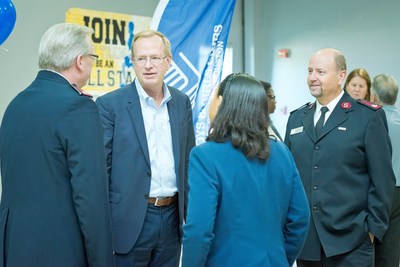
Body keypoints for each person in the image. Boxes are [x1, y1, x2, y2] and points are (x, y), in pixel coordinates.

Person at [0, 23, 114, 266]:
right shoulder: (79, 108)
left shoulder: (15, 105)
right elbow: (90, 198)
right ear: (80, 61)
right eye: (93, 57)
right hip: (60, 251)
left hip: (14, 248)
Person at [182, 73, 310, 267]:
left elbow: (199, 230)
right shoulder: (281, 152)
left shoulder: (205, 156)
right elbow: (300, 219)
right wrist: (280, 258)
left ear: (221, 102)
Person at [284, 48, 395, 267]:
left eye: (320, 72)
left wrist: (373, 230)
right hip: (307, 244)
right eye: (309, 71)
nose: (312, 77)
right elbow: (289, 178)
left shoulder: (367, 117)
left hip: (351, 241)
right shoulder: (297, 119)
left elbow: (383, 180)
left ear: (341, 76)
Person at [96, 29, 195, 266]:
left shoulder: (181, 102)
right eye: (141, 59)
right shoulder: (110, 105)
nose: (148, 65)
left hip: (172, 217)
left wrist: (190, 215)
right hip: (129, 220)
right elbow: (102, 169)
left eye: (155, 58)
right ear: (133, 62)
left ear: (168, 61)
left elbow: (188, 161)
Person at [370, 74, 400, 267]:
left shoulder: (373, 121)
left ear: (373, 96)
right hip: (399, 194)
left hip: (378, 191)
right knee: (392, 248)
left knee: (369, 246)